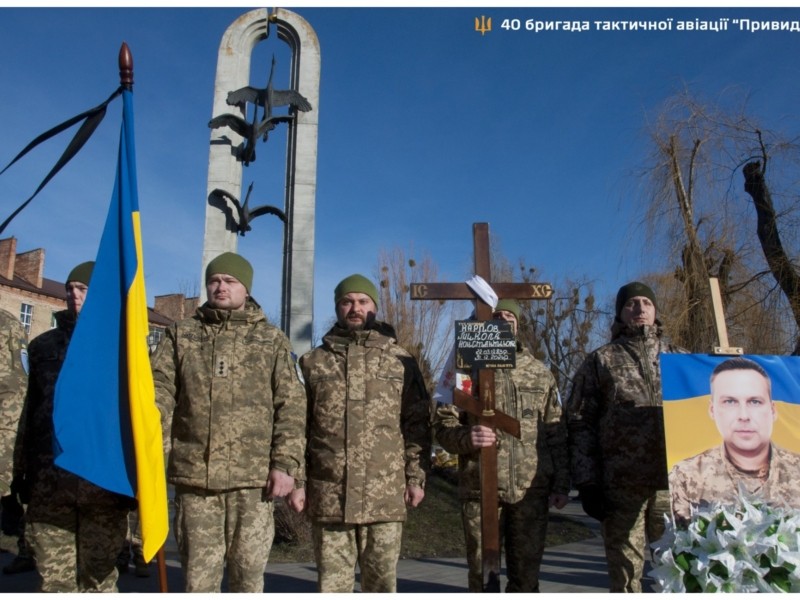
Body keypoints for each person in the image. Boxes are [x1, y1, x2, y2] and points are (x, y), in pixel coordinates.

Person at [152, 252, 306, 593]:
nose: (221, 287)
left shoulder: (271, 340)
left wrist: (285, 464)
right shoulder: (181, 335)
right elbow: (159, 390)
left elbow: (291, 406)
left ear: (246, 289)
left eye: (230, 281)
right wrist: (149, 432)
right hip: (196, 481)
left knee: (247, 578)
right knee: (198, 580)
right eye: (214, 280)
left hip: (251, 484)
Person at [287, 274, 431, 593]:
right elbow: (297, 426)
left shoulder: (401, 361)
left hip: (384, 494)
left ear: (374, 308)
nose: (355, 308)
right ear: (337, 307)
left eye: (363, 301)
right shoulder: (313, 361)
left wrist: (415, 478)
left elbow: (417, 424)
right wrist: (298, 482)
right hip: (329, 495)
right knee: (333, 586)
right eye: (347, 301)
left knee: (381, 584)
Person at [433, 299, 570, 593]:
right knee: (484, 579)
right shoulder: (465, 367)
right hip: (481, 488)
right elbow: (442, 425)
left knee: (526, 578)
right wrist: (467, 437)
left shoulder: (539, 372)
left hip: (529, 490)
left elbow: (556, 432)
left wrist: (561, 484)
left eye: (510, 316)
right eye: (497, 315)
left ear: (518, 326)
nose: (504, 320)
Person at [16, 261, 134, 592]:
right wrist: (18, 471)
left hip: (102, 482)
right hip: (49, 480)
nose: (72, 294)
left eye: (82, 288)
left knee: (99, 576)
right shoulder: (41, 347)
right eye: (69, 288)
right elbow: (26, 412)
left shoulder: (124, 348)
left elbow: (137, 418)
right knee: (54, 579)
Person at [567, 281, 687, 593]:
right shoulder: (601, 360)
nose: (640, 309)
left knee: (677, 568)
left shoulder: (680, 359)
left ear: (656, 311)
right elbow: (580, 422)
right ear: (621, 313)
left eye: (646, 303)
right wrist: (588, 483)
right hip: (621, 485)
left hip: (672, 486)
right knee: (624, 573)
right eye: (631, 303)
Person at [669, 357, 800, 524]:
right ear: (712, 410)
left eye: (754, 401)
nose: (743, 416)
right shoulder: (685, 476)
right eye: (730, 402)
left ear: (773, 410)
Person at [0, 308, 30, 574]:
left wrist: (7, 439)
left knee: (11, 491)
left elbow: (16, 386)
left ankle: (25, 546)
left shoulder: (7, 324)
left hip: (7, 429)